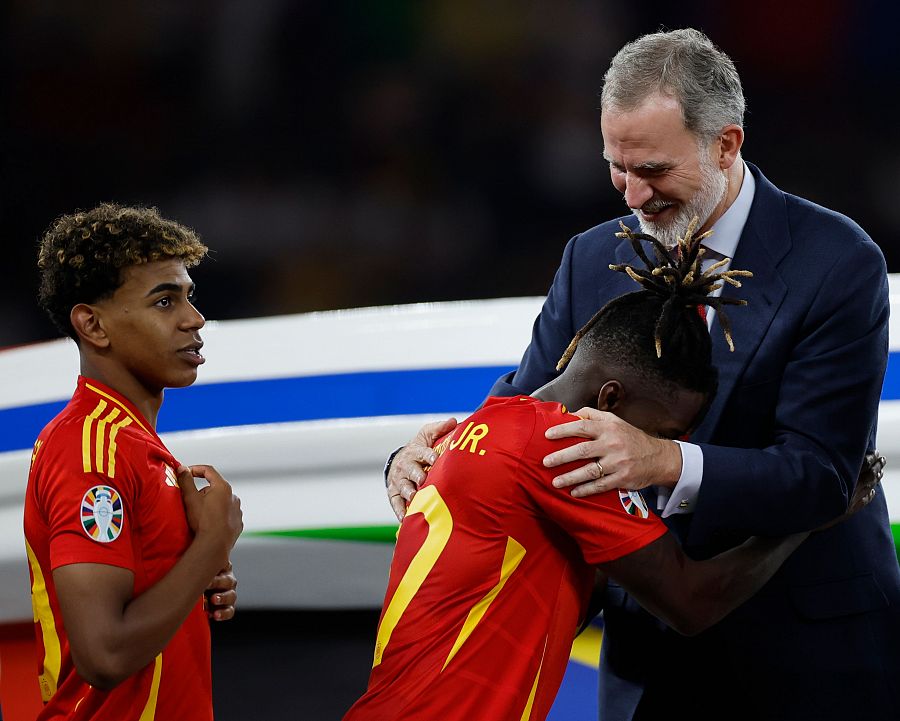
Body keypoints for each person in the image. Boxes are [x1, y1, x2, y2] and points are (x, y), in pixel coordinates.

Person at [386, 29, 900, 721]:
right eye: (616, 167)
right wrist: (413, 460)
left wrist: (665, 460)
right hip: (647, 658)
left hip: (807, 660)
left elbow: (826, 475)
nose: (633, 195)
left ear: (726, 144)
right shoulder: (590, 258)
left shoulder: (837, 262)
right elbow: (523, 411)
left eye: (653, 169)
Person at [352, 228, 881, 721]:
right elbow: (690, 602)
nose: (658, 452)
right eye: (663, 432)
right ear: (609, 400)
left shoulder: (472, 429)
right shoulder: (565, 448)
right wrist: (808, 520)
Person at [23, 204, 243, 720]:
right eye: (165, 301)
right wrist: (211, 544)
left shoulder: (135, 445)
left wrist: (196, 577)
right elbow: (104, 655)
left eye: (189, 296)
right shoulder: (90, 450)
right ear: (92, 324)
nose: (194, 319)